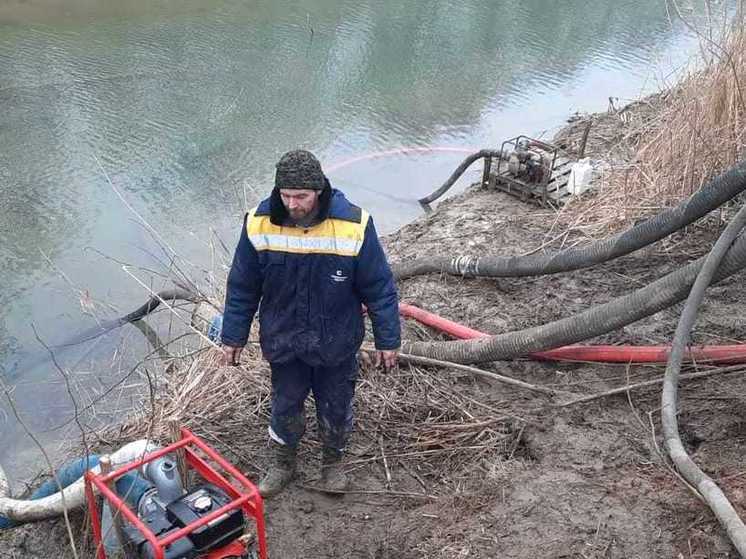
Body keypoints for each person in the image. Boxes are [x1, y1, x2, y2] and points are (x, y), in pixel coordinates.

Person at [221, 149, 401, 497]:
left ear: (319, 190)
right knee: (285, 403)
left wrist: (388, 341)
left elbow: (379, 288)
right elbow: (242, 286)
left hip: (336, 341)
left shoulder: (354, 224)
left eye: (301, 196)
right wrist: (233, 337)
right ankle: (282, 463)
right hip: (284, 340)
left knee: (336, 406)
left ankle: (332, 463)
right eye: (285, 195)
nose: (292, 204)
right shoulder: (259, 223)